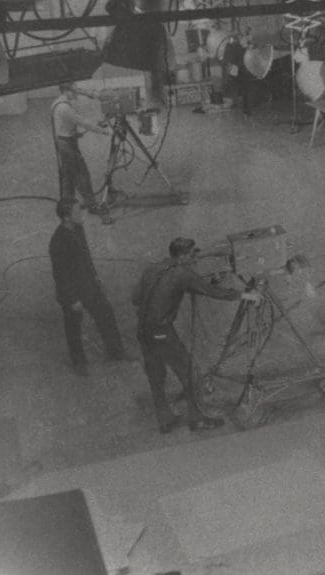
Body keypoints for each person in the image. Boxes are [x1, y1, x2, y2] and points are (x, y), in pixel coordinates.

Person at [132, 236, 245, 433]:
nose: (195, 258)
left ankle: (165, 421)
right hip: (162, 333)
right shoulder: (183, 274)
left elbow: (135, 298)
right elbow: (210, 291)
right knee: (188, 373)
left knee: (156, 377)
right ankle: (198, 419)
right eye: (193, 254)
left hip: (143, 331)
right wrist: (243, 294)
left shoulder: (152, 268)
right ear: (183, 256)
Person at [48, 198, 126, 375]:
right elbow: (60, 275)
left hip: (88, 285)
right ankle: (79, 363)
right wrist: (72, 299)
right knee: (73, 328)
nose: (82, 214)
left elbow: (85, 256)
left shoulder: (77, 228)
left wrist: (96, 277)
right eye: (78, 212)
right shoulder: (58, 241)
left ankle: (117, 353)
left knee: (106, 315)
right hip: (72, 293)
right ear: (67, 217)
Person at [51, 83, 110, 214]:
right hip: (67, 144)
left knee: (68, 175)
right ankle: (92, 205)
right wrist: (103, 131)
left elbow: (62, 124)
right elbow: (82, 122)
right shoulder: (63, 107)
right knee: (82, 174)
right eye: (74, 90)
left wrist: (75, 134)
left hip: (64, 141)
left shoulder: (58, 103)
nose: (77, 92)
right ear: (66, 90)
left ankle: (67, 204)